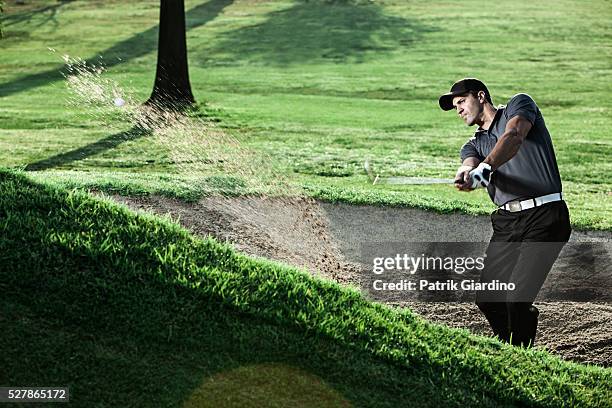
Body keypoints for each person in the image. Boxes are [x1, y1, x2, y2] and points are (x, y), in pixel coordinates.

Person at [438, 78, 571, 347]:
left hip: (545, 215)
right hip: (507, 222)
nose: (459, 110)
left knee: (516, 299)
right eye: (455, 107)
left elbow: (514, 136)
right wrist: (467, 175)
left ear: (481, 96)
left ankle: (519, 356)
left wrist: (486, 168)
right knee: (488, 298)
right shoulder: (473, 144)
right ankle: (511, 349)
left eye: (462, 102)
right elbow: (469, 163)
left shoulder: (518, 105)